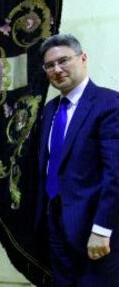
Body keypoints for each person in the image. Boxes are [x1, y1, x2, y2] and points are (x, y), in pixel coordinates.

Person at [35, 33, 119, 286]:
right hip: (55, 225)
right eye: (50, 65)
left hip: (94, 230)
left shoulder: (109, 104)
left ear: (83, 58)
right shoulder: (49, 110)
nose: (57, 69)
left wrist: (102, 230)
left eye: (63, 61)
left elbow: (115, 173)